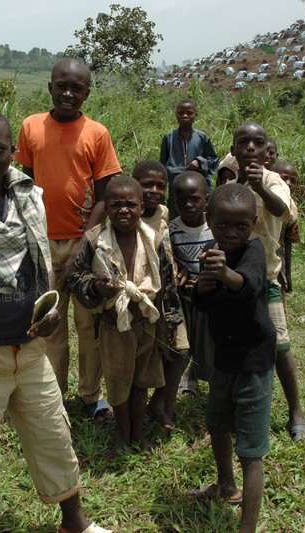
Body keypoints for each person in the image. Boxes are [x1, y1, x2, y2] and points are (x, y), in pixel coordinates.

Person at [0, 109, 110, 533]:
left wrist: (50, 312)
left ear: (13, 150)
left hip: (28, 350)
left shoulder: (31, 198)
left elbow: (41, 267)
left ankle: (74, 522)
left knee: (53, 434)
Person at [14, 58, 122, 422]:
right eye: (62, 86)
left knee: (89, 325)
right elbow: (25, 187)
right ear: (50, 87)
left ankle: (91, 394)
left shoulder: (97, 133)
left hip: (85, 244)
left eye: (77, 88)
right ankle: (54, 396)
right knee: (51, 323)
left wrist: (83, 243)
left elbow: (104, 197)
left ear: (87, 93)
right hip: (42, 243)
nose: (68, 93)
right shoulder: (31, 127)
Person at [69, 176, 182, 457]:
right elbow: (74, 275)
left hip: (145, 323)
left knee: (141, 381)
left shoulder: (153, 239)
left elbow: (168, 283)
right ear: (106, 207)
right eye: (115, 205)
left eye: (130, 204)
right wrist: (96, 287)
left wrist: (171, 321)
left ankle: (138, 432)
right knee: (119, 384)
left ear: (141, 207)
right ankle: (121, 435)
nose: (123, 210)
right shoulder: (95, 239)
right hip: (113, 326)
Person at [189, 183, 276, 533]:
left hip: (253, 361)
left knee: (250, 451)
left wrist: (224, 274)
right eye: (222, 225)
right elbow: (205, 301)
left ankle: (247, 527)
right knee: (216, 422)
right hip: (224, 357)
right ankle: (226, 485)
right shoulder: (210, 251)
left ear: (253, 223)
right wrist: (201, 287)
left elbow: (250, 284)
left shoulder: (254, 250)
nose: (231, 233)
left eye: (241, 225)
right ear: (209, 220)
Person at [227, 122, 305, 443]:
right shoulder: (229, 181)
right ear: (233, 150)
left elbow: (283, 212)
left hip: (266, 280)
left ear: (266, 151)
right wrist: (239, 184)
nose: (250, 148)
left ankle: (296, 412)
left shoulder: (274, 180)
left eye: (257, 143)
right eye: (243, 142)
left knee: (280, 345)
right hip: (233, 278)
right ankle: (235, 404)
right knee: (234, 340)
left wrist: (259, 187)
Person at [131, 160, 189, 430]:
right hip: (143, 296)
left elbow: (170, 246)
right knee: (145, 357)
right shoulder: (128, 215)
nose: (154, 191)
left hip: (169, 294)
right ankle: (136, 416)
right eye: (147, 185)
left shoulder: (164, 213)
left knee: (181, 349)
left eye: (160, 186)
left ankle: (161, 402)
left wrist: (180, 268)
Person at [169, 171, 216, 395]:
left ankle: (215, 390)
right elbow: (171, 260)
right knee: (184, 344)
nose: (188, 204)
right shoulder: (172, 230)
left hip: (210, 299)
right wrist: (180, 272)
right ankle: (183, 384)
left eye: (194, 199)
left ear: (206, 199)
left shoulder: (215, 227)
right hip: (185, 299)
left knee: (210, 345)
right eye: (181, 199)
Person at [160, 98, 219, 215]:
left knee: (199, 217)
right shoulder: (169, 138)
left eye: (189, 113)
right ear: (176, 115)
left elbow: (214, 161)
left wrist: (199, 161)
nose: (185, 116)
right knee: (176, 218)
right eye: (181, 113)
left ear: (195, 115)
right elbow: (162, 168)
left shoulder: (202, 137)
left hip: (197, 188)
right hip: (176, 189)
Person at [271, 161, 301, 295]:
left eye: (293, 181)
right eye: (284, 178)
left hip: (278, 262)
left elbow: (288, 242)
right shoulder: (259, 198)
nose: (288, 183)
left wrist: (288, 274)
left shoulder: (291, 208)